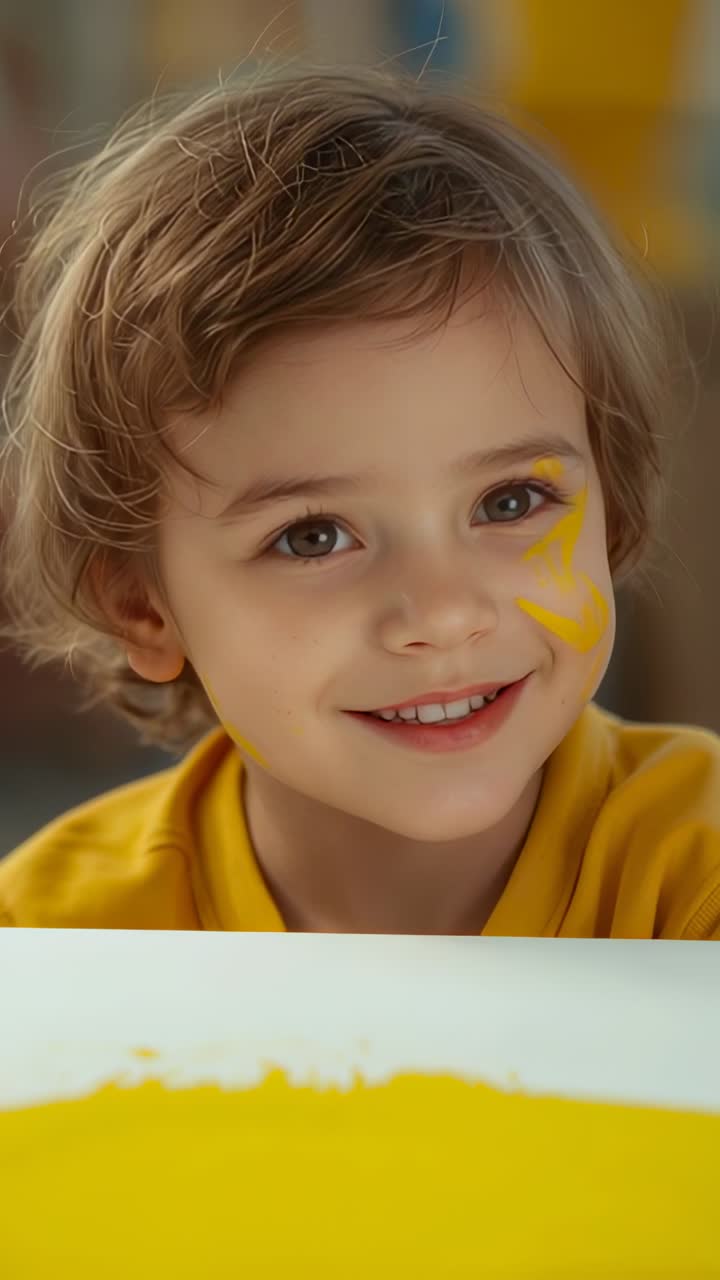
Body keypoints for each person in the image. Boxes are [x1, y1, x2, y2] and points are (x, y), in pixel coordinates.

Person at [1, 67, 718, 937]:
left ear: (613, 506)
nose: (444, 614)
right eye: (312, 537)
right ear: (141, 605)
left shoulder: (697, 880)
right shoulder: (56, 946)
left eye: (509, 501)